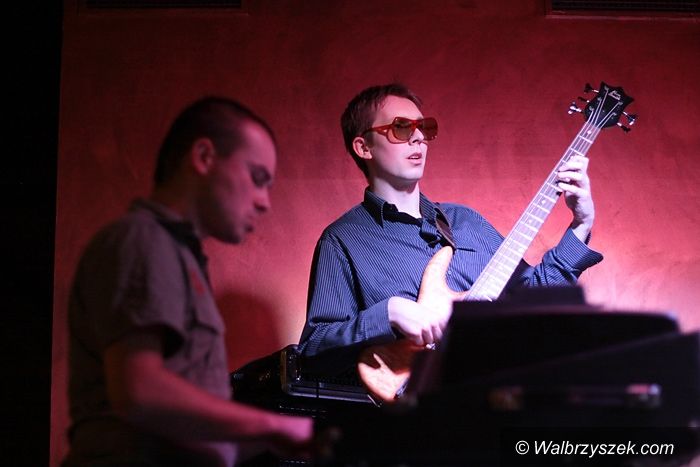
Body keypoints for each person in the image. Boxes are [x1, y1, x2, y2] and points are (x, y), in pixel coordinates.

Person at [64, 97, 314, 466]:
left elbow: (187, 434)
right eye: (257, 178)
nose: (264, 202)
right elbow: (140, 390)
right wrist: (272, 425)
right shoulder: (144, 240)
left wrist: (283, 440)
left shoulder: (179, 256)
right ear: (203, 157)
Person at [298, 83, 603, 358]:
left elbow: (531, 300)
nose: (419, 138)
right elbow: (313, 347)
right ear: (364, 147)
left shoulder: (465, 222)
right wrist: (389, 313)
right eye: (401, 128)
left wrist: (581, 223)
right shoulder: (343, 240)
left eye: (423, 128)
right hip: (418, 398)